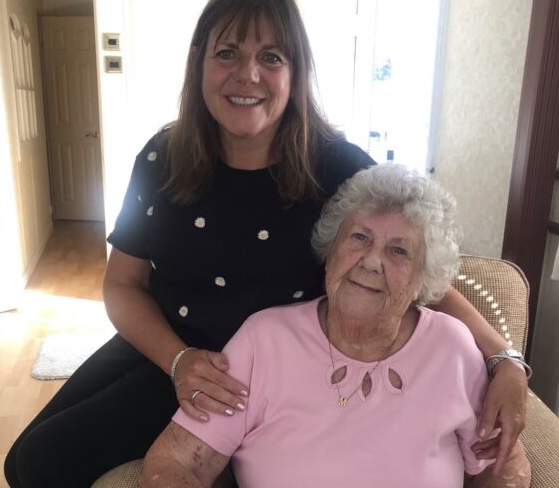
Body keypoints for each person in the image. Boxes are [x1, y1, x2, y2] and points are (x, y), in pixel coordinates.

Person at [4, 0, 528, 488]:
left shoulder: (339, 167)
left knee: (42, 465)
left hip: (266, 378)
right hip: (181, 352)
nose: (247, 74)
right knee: (24, 461)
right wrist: (177, 360)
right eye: (227, 52)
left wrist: (503, 358)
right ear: (199, 64)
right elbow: (121, 284)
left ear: (295, 74)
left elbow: (408, 271)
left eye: (271, 57)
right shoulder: (163, 156)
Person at [141, 163, 531, 488]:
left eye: (398, 250)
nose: (371, 261)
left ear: (421, 282)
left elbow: (504, 466)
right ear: (331, 250)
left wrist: (508, 364)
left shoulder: (452, 349)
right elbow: (175, 462)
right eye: (359, 237)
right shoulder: (265, 341)